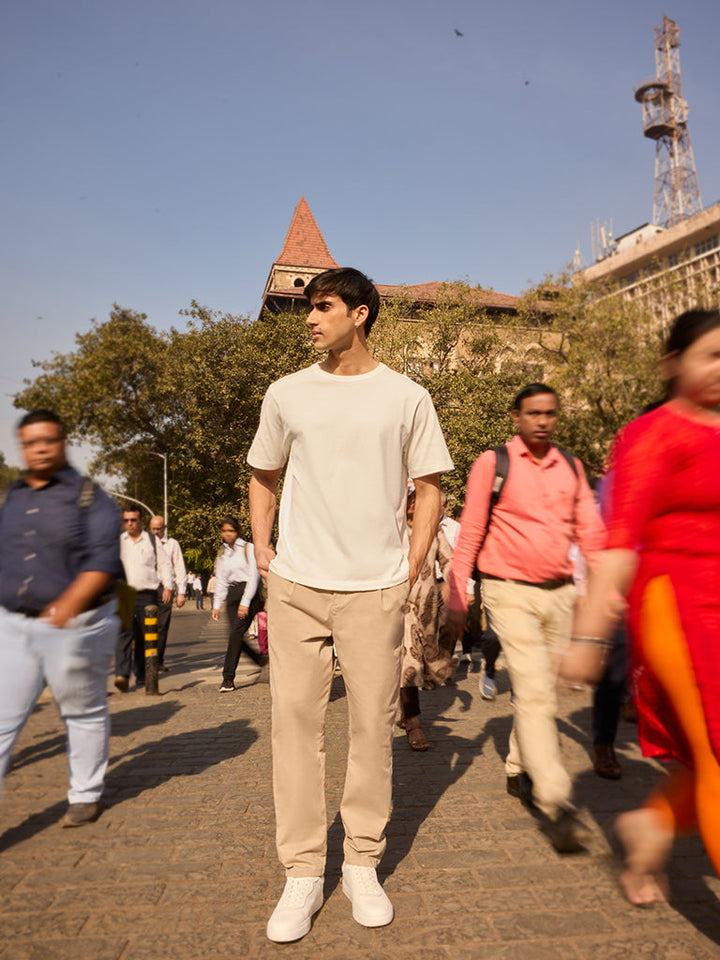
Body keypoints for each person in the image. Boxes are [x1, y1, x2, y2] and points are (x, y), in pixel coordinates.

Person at [248, 267, 453, 943]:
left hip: (375, 588)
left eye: (323, 307)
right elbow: (264, 474)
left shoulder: (407, 396)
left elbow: (430, 486)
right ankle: (303, 872)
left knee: (371, 727)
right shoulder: (287, 392)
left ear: (359, 313)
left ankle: (362, 863)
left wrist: (409, 567)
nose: (310, 319)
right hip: (298, 585)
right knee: (294, 731)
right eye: (308, 308)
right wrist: (263, 550)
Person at [563, 308, 720, 905]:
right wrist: (588, 637)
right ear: (672, 363)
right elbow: (619, 541)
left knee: (707, 755)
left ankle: (652, 824)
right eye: (711, 355)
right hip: (674, 605)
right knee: (715, 747)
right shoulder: (652, 433)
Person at [448, 383, 606, 853]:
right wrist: (459, 597)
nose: (542, 421)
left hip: (560, 594)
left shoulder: (571, 466)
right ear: (516, 417)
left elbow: (592, 534)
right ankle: (555, 800)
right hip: (508, 590)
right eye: (533, 413)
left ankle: (517, 767)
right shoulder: (493, 463)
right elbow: (471, 531)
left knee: (542, 692)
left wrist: (605, 593)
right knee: (535, 692)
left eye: (550, 413)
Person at [0, 409, 121, 826]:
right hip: (13, 625)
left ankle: (85, 795)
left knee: (81, 711)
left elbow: (103, 560)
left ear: (62, 443)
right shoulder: (10, 499)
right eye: (31, 443)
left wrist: (67, 606)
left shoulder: (89, 497)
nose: (40, 449)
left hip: (76, 625)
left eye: (48, 440)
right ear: (22, 447)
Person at [400, 488, 455, 751]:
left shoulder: (433, 530)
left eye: (416, 498)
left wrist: (451, 584)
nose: (413, 503)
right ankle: (413, 723)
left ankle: (404, 709)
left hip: (428, 607)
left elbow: (449, 560)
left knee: (419, 662)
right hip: (398, 605)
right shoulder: (392, 529)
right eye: (409, 498)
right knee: (408, 664)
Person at [115, 508, 172, 691]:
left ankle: (141, 674)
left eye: (133, 520)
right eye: (126, 520)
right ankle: (122, 674)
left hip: (147, 594)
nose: (129, 523)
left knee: (143, 635)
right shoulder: (118, 542)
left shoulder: (152, 541)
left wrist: (168, 586)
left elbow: (164, 564)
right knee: (124, 634)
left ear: (140, 521)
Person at [211, 516, 264, 691]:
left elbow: (254, 577)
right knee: (234, 635)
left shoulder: (249, 548)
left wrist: (245, 603)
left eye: (231, 530)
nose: (227, 534)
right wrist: (216, 605)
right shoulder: (223, 553)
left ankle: (228, 679)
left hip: (249, 594)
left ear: (238, 531)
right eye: (224, 531)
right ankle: (259, 659)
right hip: (232, 595)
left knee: (235, 635)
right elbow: (221, 581)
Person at [148, 515, 187, 672]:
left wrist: (181, 592)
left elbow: (179, 567)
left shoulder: (172, 544)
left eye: (158, 529)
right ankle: (145, 660)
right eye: (153, 529)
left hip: (164, 589)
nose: (155, 532)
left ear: (164, 528)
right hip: (146, 589)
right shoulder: (144, 543)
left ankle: (158, 660)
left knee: (162, 626)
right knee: (144, 626)